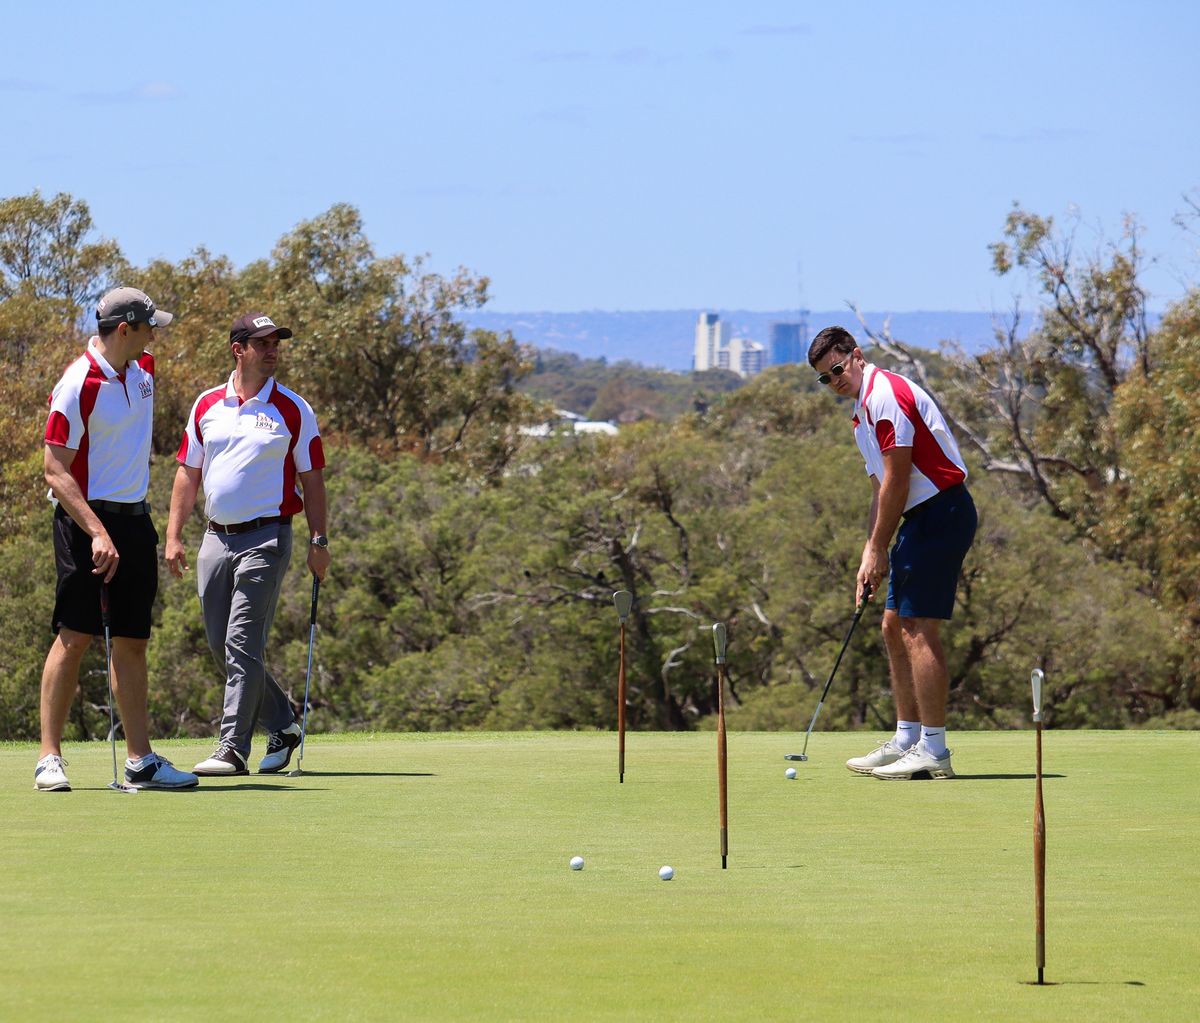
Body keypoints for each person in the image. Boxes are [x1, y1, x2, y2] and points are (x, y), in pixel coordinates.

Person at [35, 287, 199, 792]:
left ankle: (140, 760)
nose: (157, 333)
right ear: (124, 329)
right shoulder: (77, 384)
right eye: (150, 325)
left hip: (134, 522)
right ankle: (49, 758)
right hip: (85, 523)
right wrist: (97, 532)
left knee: (133, 642)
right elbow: (54, 469)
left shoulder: (143, 368)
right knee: (75, 635)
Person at [808, 325, 977, 780]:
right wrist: (869, 551)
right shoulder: (860, 415)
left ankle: (934, 749)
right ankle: (908, 737)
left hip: (942, 511)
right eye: (825, 378)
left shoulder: (885, 397)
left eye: (837, 369)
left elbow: (899, 479)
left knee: (918, 627)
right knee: (891, 625)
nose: (834, 381)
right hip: (916, 519)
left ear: (856, 356)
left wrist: (880, 547)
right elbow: (880, 490)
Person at [165, 312, 330, 776]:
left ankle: (231, 749)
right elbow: (187, 472)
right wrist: (174, 535)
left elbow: (312, 479)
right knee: (221, 644)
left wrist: (319, 539)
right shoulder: (206, 405)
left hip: (267, 537)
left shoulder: (293, 409)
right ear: (239, 350)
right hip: (215, 539)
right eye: (263, 343)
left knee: (241, 640)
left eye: (276, 342)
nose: (273, 350)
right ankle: (283, 722)